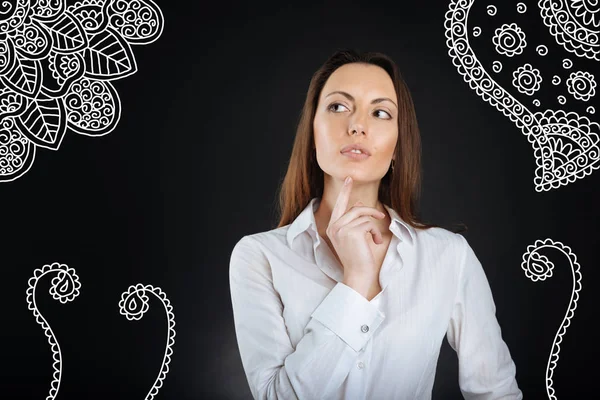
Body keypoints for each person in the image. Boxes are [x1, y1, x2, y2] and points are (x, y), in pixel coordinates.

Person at [229, 48, 522, 400]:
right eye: (338, 107)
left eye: (380, 112)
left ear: (398, 146)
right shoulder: (259, 256)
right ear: (312, 131)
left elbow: (497, 393)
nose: (357, 125)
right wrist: (357, 283)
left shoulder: (448, 256)